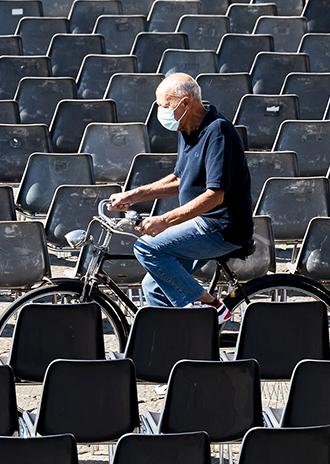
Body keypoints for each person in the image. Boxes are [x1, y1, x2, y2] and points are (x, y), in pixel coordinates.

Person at [108, 73, 253, 322]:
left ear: (185, 103)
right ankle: (176, 343)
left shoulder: (219, 132)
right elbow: (179, 179)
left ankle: (211, 306)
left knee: (146, 248)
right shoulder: (186, 128)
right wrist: (133, 195)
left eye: (164, 105)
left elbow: (214, 196)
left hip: (221, 228)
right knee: (154, 288)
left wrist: (164, 220)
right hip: (200, 223)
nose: (160, 112)